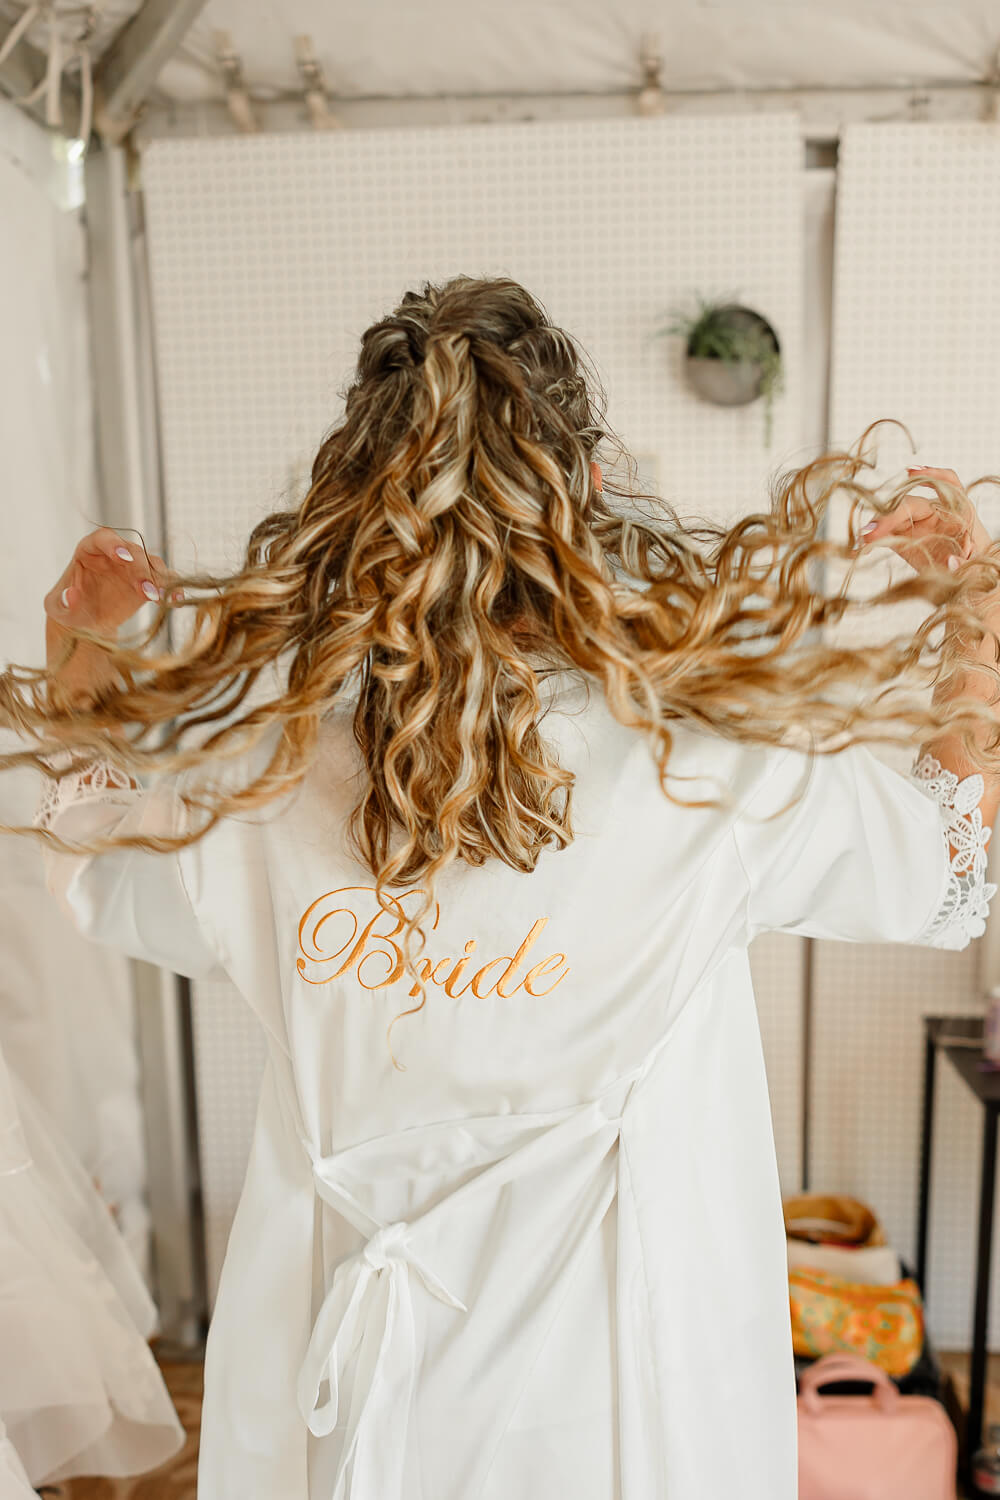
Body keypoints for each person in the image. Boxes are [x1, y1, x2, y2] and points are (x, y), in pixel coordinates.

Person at [4, 275, 1000, 1500]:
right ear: (584, 492)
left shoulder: (259, 762)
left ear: (355, 502)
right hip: (620, 1403)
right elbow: (946, 880)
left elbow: (97, 864)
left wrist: (84, 659)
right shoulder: (703, 764)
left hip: (350, 1391)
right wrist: (972, 643)